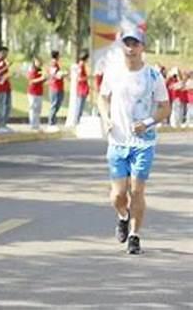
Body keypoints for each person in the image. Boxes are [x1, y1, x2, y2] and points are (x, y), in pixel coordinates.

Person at [97, 28, 170, 255]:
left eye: (135, 44)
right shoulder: (113, 73)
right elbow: (102, 97)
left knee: (137, 191)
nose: (130, 48)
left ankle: (135, 235)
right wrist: (106, 118)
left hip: (143, 142)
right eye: (127, 43)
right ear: (122, 47)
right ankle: (123, 216)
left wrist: (147, 122)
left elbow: (165, 107)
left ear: (142, 47)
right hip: (118, 142)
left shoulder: (153, 76)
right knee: (118, 195)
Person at [0, 46, 12, 130]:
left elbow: (5, 73)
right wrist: (6, 66)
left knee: (8, 106)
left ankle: (4, 123)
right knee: (1, 106)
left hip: (7, 86)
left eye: (6, 53)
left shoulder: (4, 62)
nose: (5, 55)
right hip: (0, 87)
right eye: (3, 53)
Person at [26, 57, 46, 130]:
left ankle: (37, 125)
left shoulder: (40, 70)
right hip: (32, 92)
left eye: (40, 62)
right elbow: (31, 81)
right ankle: (33, 125)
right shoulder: (32, 69)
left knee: (38, 109)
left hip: (39, 92)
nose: (40, 63)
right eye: (38, 62)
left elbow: (40, 80)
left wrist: (44, 79)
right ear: (34, 62)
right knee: (33, 109)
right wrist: (41, 79)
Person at [48, 50, 66, 126]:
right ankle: (51, 123)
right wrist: (63, 74)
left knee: (57, 104)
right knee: (54, 104)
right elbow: (54, 75)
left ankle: (53, 121)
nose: (60, 57)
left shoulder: (56, 63)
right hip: (55, 87)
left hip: (59, 87)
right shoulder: (53, 63)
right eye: (59, 55)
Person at [76, 51, 91, 123]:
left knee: (81, 105)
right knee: (80, 105)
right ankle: (77, 120)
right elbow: (79, 78)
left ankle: (78, 119)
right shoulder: (81, 65)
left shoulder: (82, 65)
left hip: (83, 87)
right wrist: (87, 77)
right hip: (81, 88)